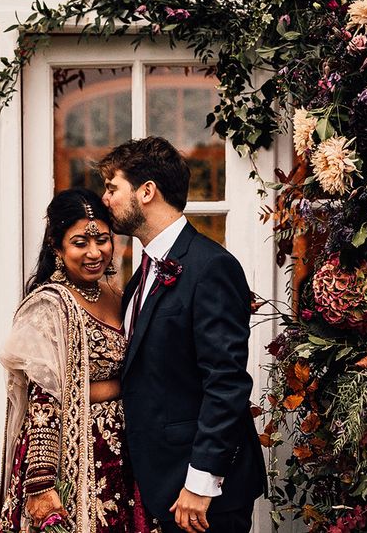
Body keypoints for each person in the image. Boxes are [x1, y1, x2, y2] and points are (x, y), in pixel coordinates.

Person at [98, 137, 267, 533]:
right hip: (160, 482)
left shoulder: (211, 267)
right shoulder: (144, 272)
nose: (105, 199)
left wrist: (201, 481)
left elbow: (226, 382)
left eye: (112, 187)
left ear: (147, 191)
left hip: (199, 493)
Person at [0, 187, 156, 533]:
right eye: (80, 242)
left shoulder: (118, 295)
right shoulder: (49, 305)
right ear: (57, 247)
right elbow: (44, 402)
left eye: (102, 240)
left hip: (123, 456)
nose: (94, 252)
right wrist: (40, 485)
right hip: (71, 457)